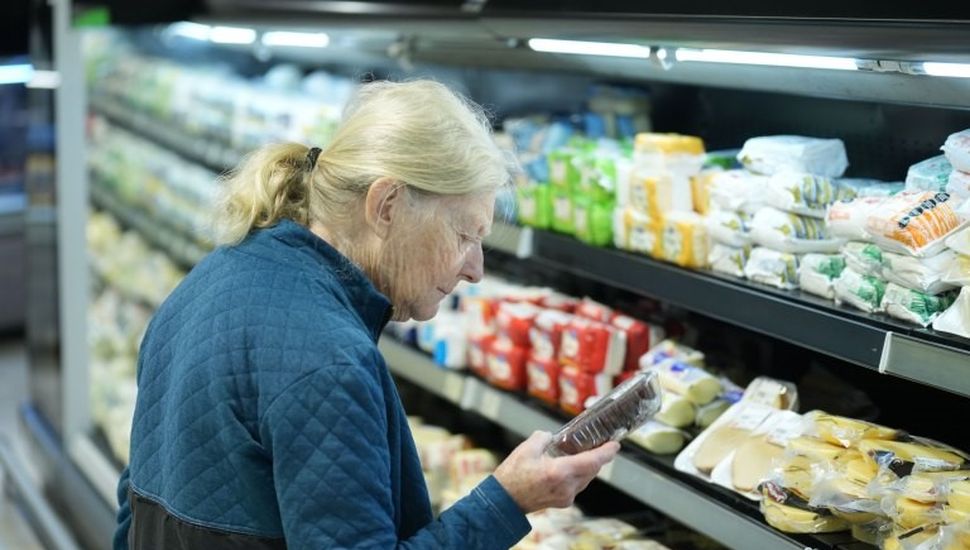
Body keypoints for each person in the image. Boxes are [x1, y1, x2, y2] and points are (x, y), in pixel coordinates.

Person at [114, 79, 619, 549]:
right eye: (465, 235)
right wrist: (507, 501)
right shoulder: (328, 361)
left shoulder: (209, 279)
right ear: (387, 205)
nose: (476, 269)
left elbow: (134, 501)